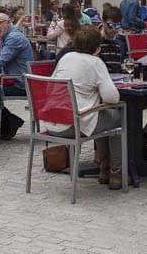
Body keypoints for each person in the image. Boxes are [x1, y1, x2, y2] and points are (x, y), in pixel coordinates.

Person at [48, 26, 124, 190]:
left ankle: (104, 166)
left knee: (101, 115)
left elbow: (50, 87)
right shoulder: (96, 62)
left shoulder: (66, 58)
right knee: (117, 118)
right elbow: (113, 97)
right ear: (98, 48)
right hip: (74, 124)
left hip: (53, 122)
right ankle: (116, 171)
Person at [0, 12, 33, 139]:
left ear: (8, 22)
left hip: (21, 84)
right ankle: (9, 123)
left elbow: (2, 60)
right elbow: (2, 63)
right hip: (14, 79)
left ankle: (9, 123)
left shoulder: (14, 38)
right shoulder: (7, 36)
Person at [97, 6, 124, 73]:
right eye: (111, 25)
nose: (114, 29)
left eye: (118, 25)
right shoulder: (96, 42)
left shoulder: (116, 43)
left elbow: (116, 69)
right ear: (103, 22)